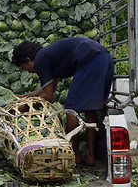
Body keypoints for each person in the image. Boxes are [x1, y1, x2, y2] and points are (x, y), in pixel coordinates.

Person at [12, 37, 114, 166]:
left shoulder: (40, 60)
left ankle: (75, 155)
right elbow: (51, 89)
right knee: (90, 108)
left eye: (26, 68)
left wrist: (25, 106)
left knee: (71, 109)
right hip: (104, 58)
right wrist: (26, 96)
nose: (30, 72)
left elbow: (48, 96)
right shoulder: (49, 55)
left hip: (89, 60)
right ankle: (90, 156)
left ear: (28, 59)